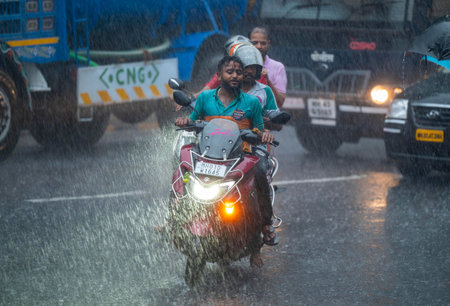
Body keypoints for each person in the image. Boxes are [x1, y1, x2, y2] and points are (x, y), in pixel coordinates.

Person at [175, 55, 278, 268]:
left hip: (241, 157)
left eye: (239, 72)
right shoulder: (204, 98)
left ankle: (266, 225)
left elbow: (259, 128)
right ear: (219, 75)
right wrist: (186, 121)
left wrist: (264, 134)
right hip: (209, 155)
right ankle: (175, 216)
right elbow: (194, 121)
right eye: (229, 71)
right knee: (182, 170)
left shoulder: (251, 103)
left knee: (260, 174)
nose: (234, 76)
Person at [249, 26, 287, 108]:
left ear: (268, 44)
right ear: (248, 44)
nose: (259, 46)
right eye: (255, 43)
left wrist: (268, 81)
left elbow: (280, 103)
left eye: (263, 43)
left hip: (266, 119)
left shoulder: (278, 67)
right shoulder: (240, 65)